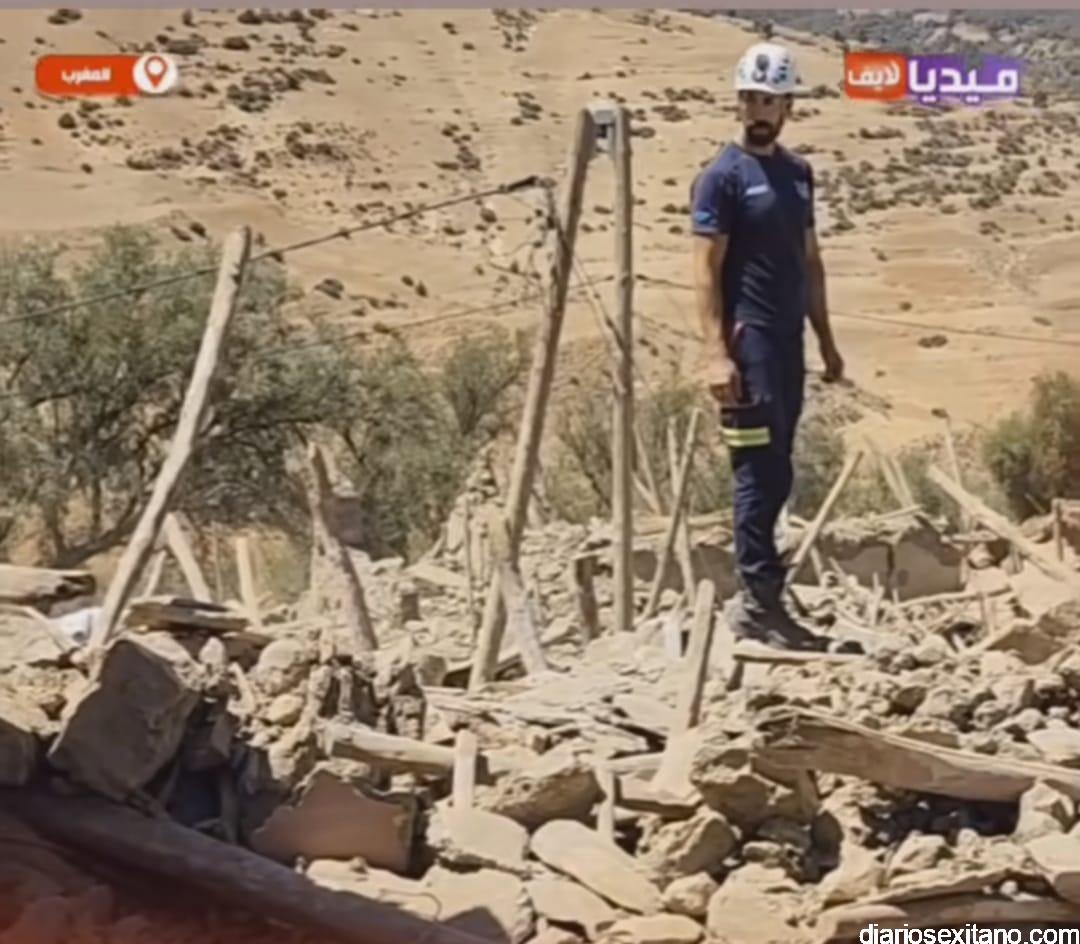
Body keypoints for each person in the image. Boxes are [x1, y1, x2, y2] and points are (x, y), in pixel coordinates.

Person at [690, 41, 846, 650]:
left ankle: (770, 594)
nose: (759, 110)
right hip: (747, 343)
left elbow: (811, 261)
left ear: (788, 107)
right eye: (751, 99)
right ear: (738, 102)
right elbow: (705, 270)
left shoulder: (797, 174)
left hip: (788, 344)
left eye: (770, 100)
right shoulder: (721, 178)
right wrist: (714, 353)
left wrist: (826, 341)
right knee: (756, 473)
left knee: (779, 471)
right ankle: (757, 604)